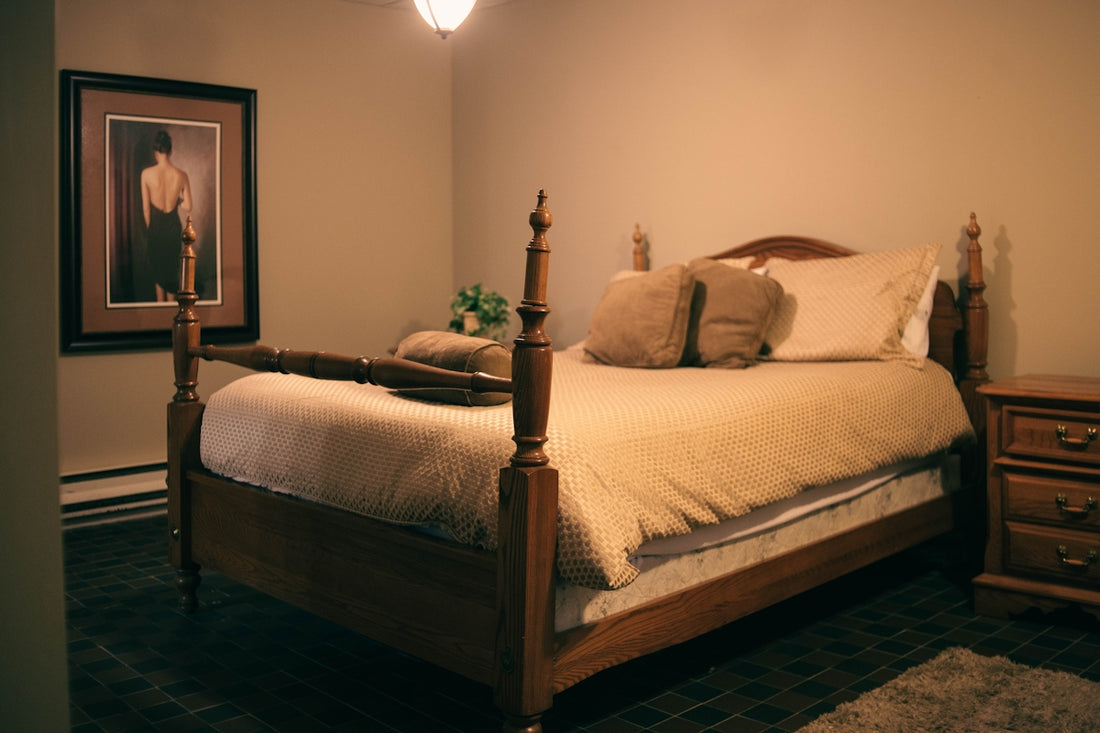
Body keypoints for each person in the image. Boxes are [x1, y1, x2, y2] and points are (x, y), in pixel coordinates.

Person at [141, 130, 193, 301]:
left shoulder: (146, 174)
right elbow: (188, 206)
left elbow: (146, 209)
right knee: (171, 275)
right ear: (170, 152)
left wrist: (151, 231)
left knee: (158, 275)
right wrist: (177, 201)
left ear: (155, 152)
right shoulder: (181, 175)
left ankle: (159, 314)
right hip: (172, 229)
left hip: (155, 229)